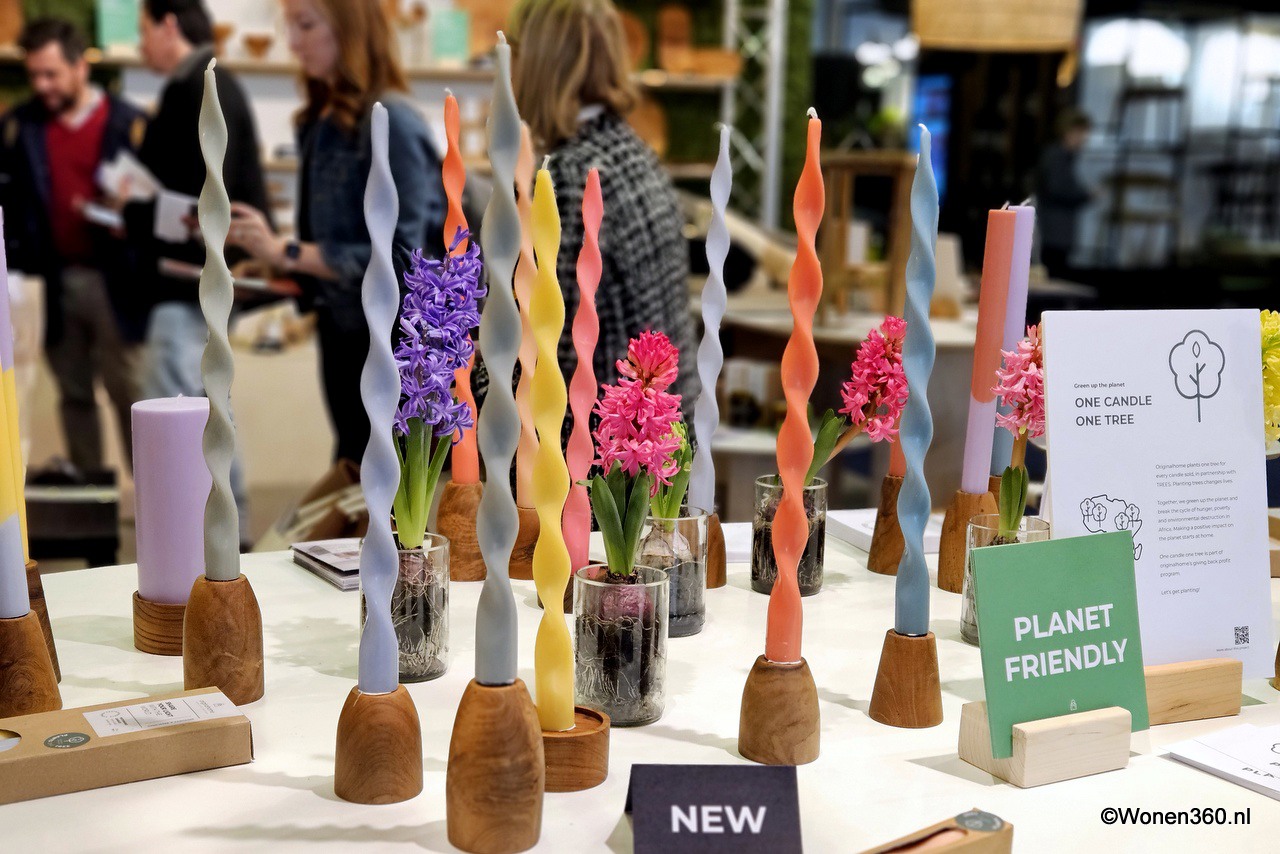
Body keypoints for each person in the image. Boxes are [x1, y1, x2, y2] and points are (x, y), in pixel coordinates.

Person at [229, 0, 444, 464]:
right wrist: (271, 269)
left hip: (390, 346)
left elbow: (403, 259)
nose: (293, 43)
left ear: (349, 29)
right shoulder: (321, 121)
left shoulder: (393, 124)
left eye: (306, 25)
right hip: (344, 334)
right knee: (353, 464)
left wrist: (287, 252)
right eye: (291, 27)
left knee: (384, 474)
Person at [508, 0, 697, 412]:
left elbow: (549, 355)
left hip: (604, 440)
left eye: (515, 53)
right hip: (663, 428)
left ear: (539, 63)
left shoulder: (568, 178)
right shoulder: (631, 151)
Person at [130, 0, 268, 537]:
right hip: (198, 282)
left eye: (144, 30)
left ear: (169, 25)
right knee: (210, 406)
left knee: (193, 414)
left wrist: (132, 210)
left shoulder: (200, 89)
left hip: (189, 284)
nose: (141, 44)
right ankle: (221, 532)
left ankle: (209, 536)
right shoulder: (210, 86)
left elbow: (206, 203)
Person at [0, 19, 148, 475]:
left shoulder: (131, 123)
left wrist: (130, 219)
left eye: (52, 74)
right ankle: (92, 498)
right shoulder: (20, 126)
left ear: (81, 67)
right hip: (52, 281)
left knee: (132, 394)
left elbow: (156, 201)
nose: (41, 85)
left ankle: (153, 498)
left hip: (117, 281)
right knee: (74, 394)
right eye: (34, 75)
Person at [1036, 108, 1093, 278]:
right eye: (1081, 133)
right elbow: (1057, 189)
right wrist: (1086, 194)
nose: (1084, 139)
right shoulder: (1056, 157)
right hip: (1053, 231)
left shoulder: (1063, 157)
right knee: (1053, 276)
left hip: (1057, 231)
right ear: (1069, 132)